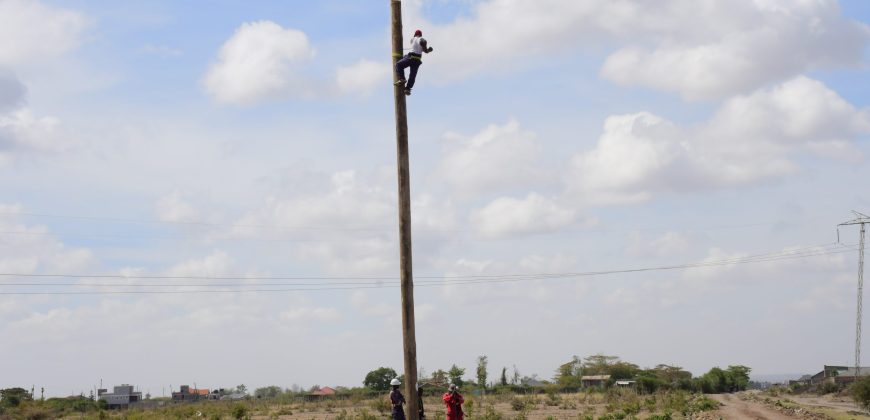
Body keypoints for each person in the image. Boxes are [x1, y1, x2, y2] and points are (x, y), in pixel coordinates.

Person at [395, 29, 434, 96]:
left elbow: (421, 42)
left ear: (415, 34)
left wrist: (425, 47)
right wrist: (428, 50)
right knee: (412, 75)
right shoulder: (420, 39)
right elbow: (425, 50)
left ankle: (402, 78)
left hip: (411, 57)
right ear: (421, 35)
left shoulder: (414, 39)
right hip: (417, 60)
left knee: (398, 64)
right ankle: (408, 88)